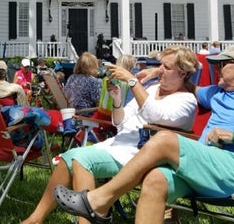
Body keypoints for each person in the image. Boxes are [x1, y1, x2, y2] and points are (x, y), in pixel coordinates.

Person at [52, 46, 234, 224]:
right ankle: (98, 202)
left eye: (222, 65)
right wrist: (154, 73)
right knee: (156, 178)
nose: (217, 70)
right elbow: (185, 82)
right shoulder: (216, 92)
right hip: (204, 167)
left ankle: (98, 201)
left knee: (165, 139)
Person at [21, 46, 198, 224]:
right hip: (119, 145)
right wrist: (117, 101)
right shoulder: (152, 89)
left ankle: (91, 217)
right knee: (69, 157)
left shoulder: (186, 101)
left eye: (166, 67)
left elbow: (154, 114)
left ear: (183, 73)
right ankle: (35, 219)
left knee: (80, 160)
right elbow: (121, 122)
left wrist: (132, 81)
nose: (160, 70)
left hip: (142, 155)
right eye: (160, 65)